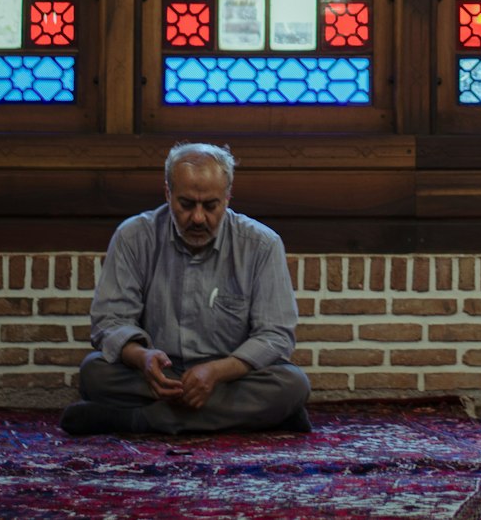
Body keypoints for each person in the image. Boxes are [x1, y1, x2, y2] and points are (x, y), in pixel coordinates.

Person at [59, 141, 310, 437]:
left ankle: (139, 421)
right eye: (187, 204)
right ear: (168, 194)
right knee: (95, 373)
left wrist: (216, 372)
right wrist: (142, 357)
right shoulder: (133, 236)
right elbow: (110, 322)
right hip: (158, 376)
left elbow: (276, 336)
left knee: (291, 385)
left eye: (211, 205)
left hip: (228, 377)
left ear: (228, 198)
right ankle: (250, 416)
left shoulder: (262, 245)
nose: (199, 218)